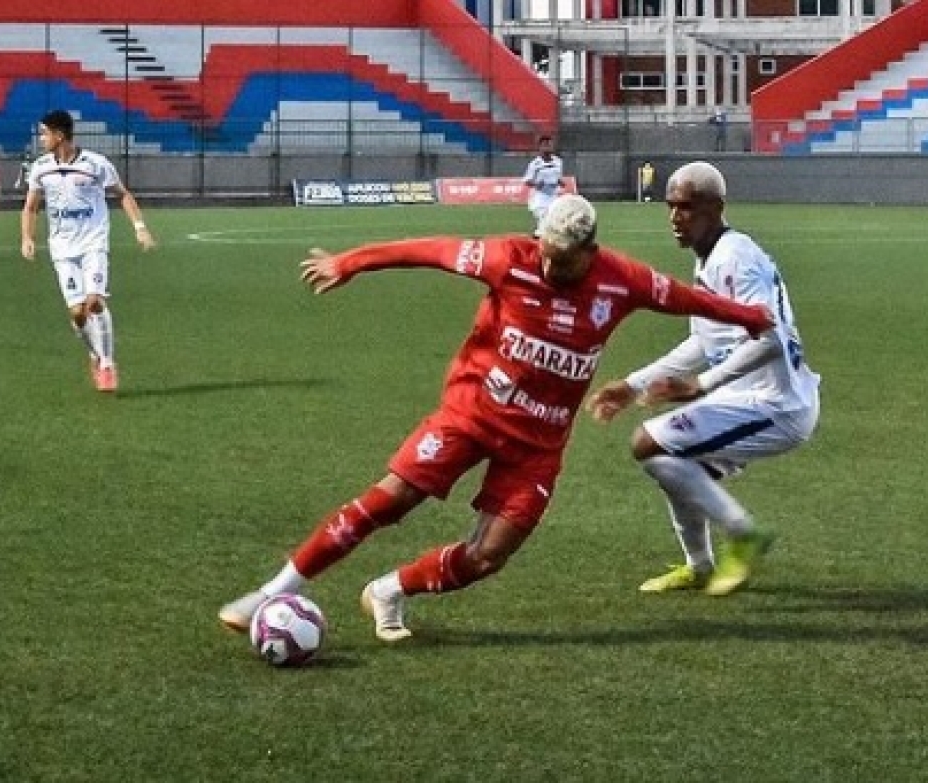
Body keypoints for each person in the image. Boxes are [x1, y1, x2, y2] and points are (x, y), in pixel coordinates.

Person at [218, 194, 774, 642]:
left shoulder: (620, 279)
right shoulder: (508, 257)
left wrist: (748, 315)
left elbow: (682, 298)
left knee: (488, 556)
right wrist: (351, 262)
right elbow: (428, 249)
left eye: (563, 257)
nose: (550, 263)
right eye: (545, 251)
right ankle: (272, 591)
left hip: (538, 444)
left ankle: (390, 590)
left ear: (590, 250)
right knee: (391, 499)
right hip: (472, 413)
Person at [586, 161, 820, 597]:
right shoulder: (711, 259)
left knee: (648, 442)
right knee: (669, 463)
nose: (675, 217)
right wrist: (635, 384)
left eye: (687, 208)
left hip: (775, 404)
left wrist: (703, 384)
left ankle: (743, 532)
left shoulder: (734, 259)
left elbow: (773, 337)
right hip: (750, 397)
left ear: (715, 208)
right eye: (671, 206)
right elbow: (701, 342)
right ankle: (700, 566)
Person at [20, 109, 156, 393]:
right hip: (62, 248)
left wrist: (140, 227)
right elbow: (30, 206)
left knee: (94, 302)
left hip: (93, 242)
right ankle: (95, 353)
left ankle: (107, 363)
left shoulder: (96, 164)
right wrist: (27, 238)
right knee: (78, 313)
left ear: (59, 135)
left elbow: (122, 194)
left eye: (44, 133)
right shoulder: (41, 167)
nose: (41, 138)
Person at [522, 134, 565, 237]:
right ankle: (539, 240)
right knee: (544, 219)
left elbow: (558, 177)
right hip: (540, 197)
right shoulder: (535, 164)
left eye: (549, 144)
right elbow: (527, 180)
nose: (547, 147)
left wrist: (560, 182)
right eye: (545, 145)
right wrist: (536, 184)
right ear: (540, 147)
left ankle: (538, 239)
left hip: (553, 196)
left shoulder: (558, 162)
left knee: (552, 221)